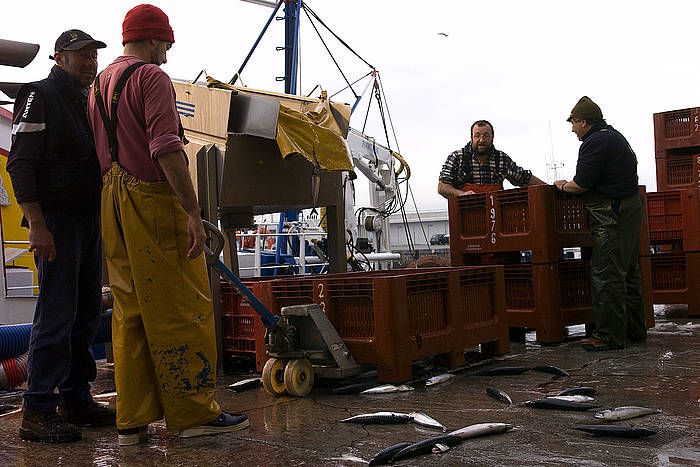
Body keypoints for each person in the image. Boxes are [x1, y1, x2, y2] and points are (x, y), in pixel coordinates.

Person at [87, 4, 249, 446]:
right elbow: (166, 146)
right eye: (167, 45)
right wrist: (192, 211)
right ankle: (193, 413)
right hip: (153, 200)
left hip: (112, 201)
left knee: (131, 309)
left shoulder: (98, 84)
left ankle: (132, 419)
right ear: (154, 38)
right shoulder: (149, 78)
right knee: (182, 304)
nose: (167, 55)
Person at [7, 29, 115, 443]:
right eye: (81, 55)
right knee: (55, 313)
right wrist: (37, 224)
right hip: (56, 222)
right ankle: (37, 409)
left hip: (88, 220)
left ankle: (75, 397)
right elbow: (20, 163)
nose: (90, 61)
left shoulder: (88, 100)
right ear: (58, 58)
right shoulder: (39, 94)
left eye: (93, 55)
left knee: (86, 311)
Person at [554, 96, 646, 351]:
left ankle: (609, 336)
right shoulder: (615, 136)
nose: (572, 129)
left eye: (573, 123)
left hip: (610, 214)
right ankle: (634, 331)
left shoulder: (594, 142)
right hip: (629, 208)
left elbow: (581, 184)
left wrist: (561, 185)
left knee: (606, 273)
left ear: (583, 121)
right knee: (628, 272)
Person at [438, 120, 545, 198]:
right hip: (465, 216)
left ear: (492, 137)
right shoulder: (457, 157)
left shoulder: (502, 159)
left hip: (495, 218)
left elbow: (525, 178)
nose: (481, 139)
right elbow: (442, 187)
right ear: (471, 137)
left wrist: (550, 188)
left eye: (486, 135)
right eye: (477, 135)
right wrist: (461, 194)